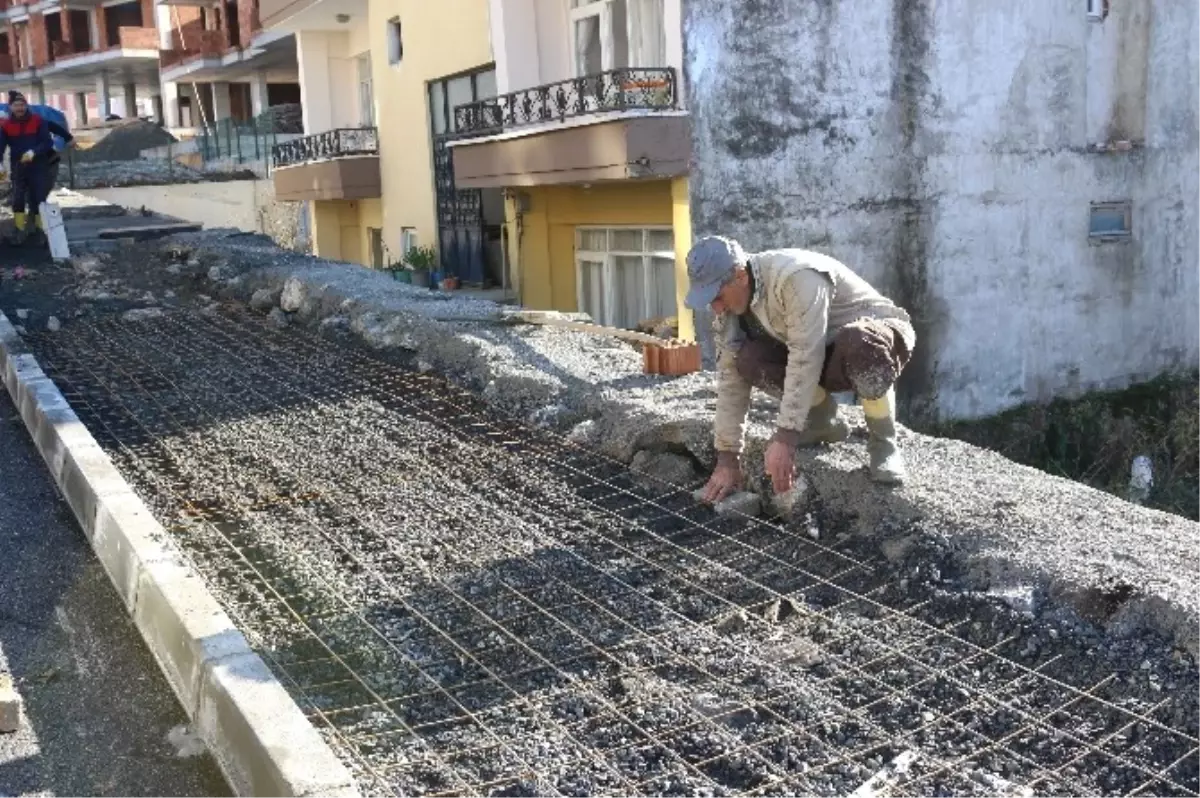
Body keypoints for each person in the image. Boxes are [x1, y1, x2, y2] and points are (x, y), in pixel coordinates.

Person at [683, 235, 917, 502]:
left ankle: (884, 442)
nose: (716, 307)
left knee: (861, 344)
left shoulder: (795, 277)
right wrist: (728, 458)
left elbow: (805, 355)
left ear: (739, 276)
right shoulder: (730, 312)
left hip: (875, 339)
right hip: (823, 352)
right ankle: (822, 422)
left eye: (718, 295)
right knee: (748, 359)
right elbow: (729, 379)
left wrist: (786, 438)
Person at [0, 91, 55, 244]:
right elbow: (0, 146)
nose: (20, 108)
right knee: (17, 198)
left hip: (38, 164)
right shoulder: (6, 125)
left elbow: (47, 142)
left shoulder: (38, 121)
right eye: (16, 105)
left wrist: (34, 152)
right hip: (18, 165)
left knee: (38, 198)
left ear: (26, 106)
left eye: (22, 105)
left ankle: (39, 230)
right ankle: (19, 230)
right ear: (11, 107)